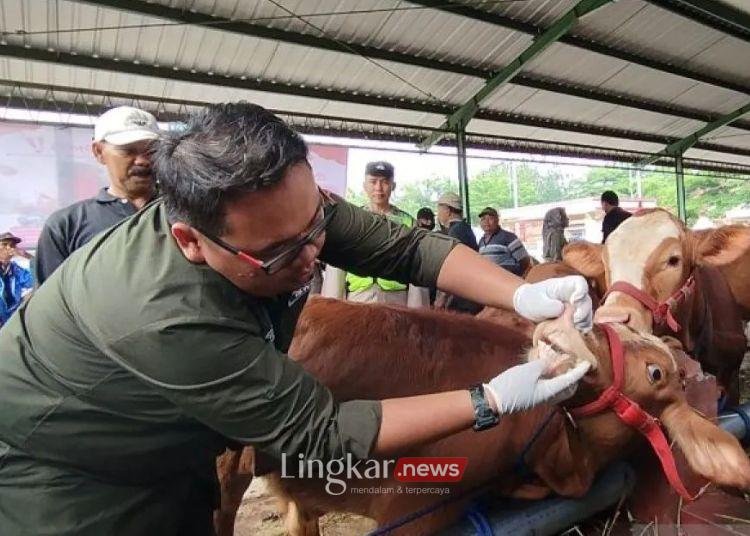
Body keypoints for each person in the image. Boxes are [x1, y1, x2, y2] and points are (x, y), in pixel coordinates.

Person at [0, 103, 592, 534]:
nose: (313, 255)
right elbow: (325, 433)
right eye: (284, 252)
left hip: (173, 451)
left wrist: (522, 297)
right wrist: (490, 399)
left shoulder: (275, 207)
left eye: (317, 227)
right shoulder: (165, 317)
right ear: (191, 241)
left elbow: (406, 249)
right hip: (69, 474)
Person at [34, 106, 160, 284]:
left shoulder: (187, 213)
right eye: (128, 150)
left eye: (152, 150)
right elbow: (47, 306)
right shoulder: (66, 225)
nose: (143, 160)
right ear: (98, 152)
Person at [344, 161, 416, 305]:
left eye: (384, 182)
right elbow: (338, 264)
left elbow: (417, 266)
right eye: (373, 182)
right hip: (359, 295)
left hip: (397, 297)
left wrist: (417, 309)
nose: (378, 188)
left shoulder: (407, 222)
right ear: (364, 185)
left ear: (393, 186)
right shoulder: (352, 219)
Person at [434, 192, 481, 313]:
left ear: (447, 210)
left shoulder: (455, 231)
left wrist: (442, 298)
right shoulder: (465, 228)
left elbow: (453, 267)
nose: (438, 214)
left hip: (462, 298)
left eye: (439, 209)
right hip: (472, 292)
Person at [477, 206, 530, 276]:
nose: (486, 222)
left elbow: (525, 260)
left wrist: (515, 276)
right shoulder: (481, 241)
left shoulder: (509, 237)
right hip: (490, 281)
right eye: (483, 219)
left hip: (508, 281)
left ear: (497, 220)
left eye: (490, 218)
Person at [0, 232, 33, 327]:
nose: (9, 248)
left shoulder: (15, 270)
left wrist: (27, 256)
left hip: (11, 320)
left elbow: (39, 278)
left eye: (12, 245)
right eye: (4, 244)